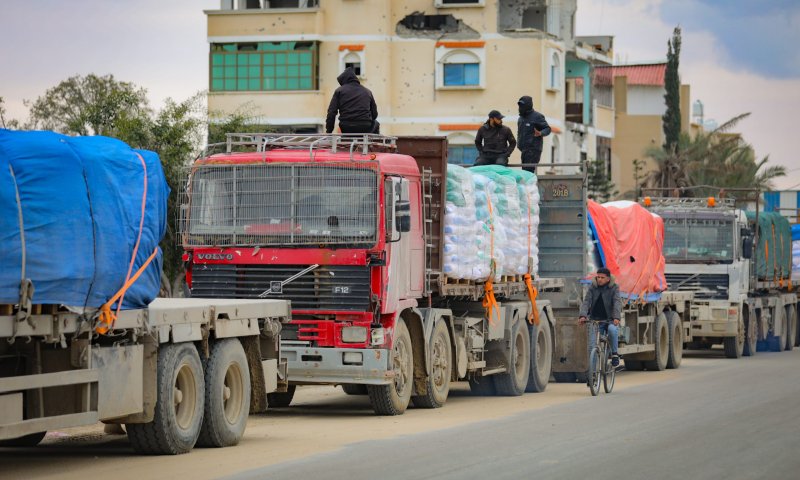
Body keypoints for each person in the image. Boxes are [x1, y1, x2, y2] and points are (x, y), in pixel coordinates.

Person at [579, 267, 622, 367]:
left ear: (608, 279)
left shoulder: (614, 288)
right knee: (592, 346)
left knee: (612, 330)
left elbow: (617, 302)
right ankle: (593, 374)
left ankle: (615, 354)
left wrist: (616, 317)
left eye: (602, 277)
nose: (599, 279)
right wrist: (583, 315)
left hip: (610, 320)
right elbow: (586, 302)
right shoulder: (592, 287)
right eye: (598, 277)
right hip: (595, 320)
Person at [325, 67, 379, 135]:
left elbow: (331, 113)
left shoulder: (339, 91)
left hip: (346, 127)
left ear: (344, 80)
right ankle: (370, 145)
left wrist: (328, 132)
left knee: (346, 133)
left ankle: (346, 142)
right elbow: (375, 114)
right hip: (364, 126)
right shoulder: (367, 92)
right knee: (376, 123)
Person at [516, 95, 551, 173]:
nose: (520, 107)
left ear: (528, 105)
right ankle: (531, 184)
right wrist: (518, 144)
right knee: (525, 172)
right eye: (519, 105)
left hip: (533, 149)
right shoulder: (520, 118)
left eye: (522, 105)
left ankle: (531, 185)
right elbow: (519, 132)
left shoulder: (537, 116)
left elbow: (547, 129)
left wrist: (540, 133)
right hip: (524, 150)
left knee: (528, 172)